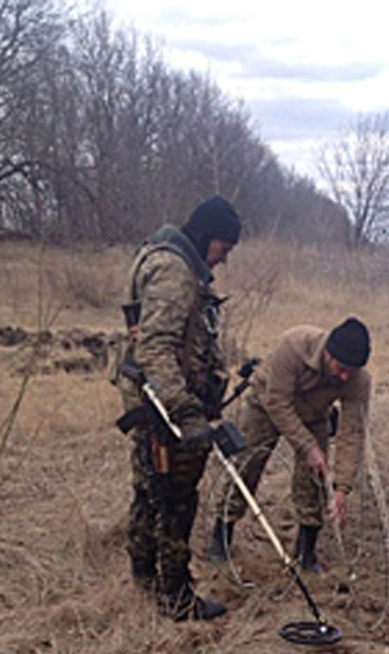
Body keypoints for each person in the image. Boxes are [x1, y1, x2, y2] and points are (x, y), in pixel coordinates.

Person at [116, 195, 241, 620]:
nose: (221, 260)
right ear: (206, 236)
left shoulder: (164, 259)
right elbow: (156, 348)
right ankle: (175, 595)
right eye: (222, 249)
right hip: (163, 404)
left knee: (150, 488)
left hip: (151, 399)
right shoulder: (175, 272)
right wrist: (186, 410)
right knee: (175, 496)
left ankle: (144, 579)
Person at [206, 318, 371, 572]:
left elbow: (353, 433)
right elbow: (278, 403)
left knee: (314, 479)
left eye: (352, 370)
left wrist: (342, 489)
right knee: (247, 465)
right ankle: (221, 535)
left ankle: (306, 552)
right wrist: (308, 447)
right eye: (341, 368)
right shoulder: (293, 345)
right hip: (267, 403)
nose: (345, 376)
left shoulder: (358, 381)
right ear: (327, 354)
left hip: (314, 415)